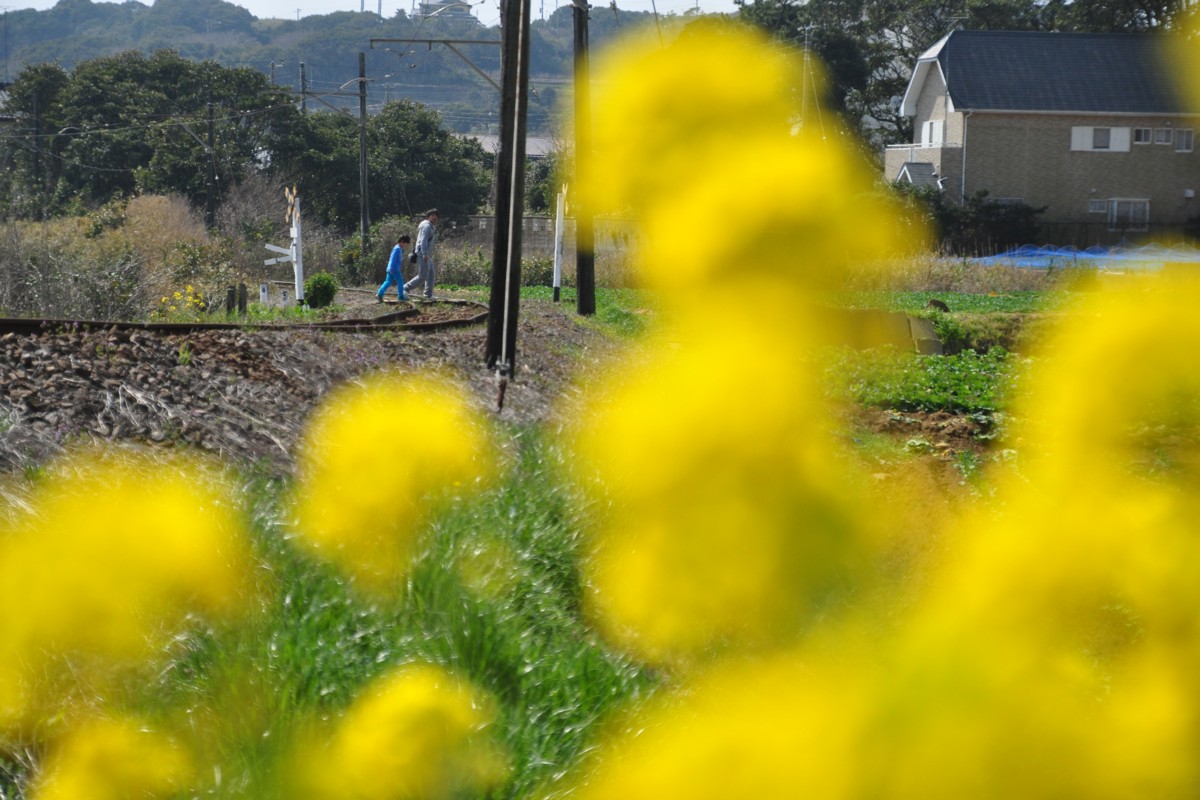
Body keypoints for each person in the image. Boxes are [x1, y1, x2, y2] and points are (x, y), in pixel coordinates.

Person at [404, 209, 439, 299]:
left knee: (431, 274)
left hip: (427, 254)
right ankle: (405, 288)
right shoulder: (427, 226)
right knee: (423, 275)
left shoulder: (430, 226)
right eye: (432, 215)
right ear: (428, 217)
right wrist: (424, 253)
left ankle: (428, 295)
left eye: (436, 215)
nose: (434, 217)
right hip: (423, 254)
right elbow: (423, 240)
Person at [377, 235, 411, 302]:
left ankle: (379, 294)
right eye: (405, 244)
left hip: (391, 269)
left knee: (388, 282)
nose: (406, 246)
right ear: (402, 242)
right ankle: (401, 297)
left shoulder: (398, 248)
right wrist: (392, 269)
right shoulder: (397, 249)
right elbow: (393, 259)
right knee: (400, 282)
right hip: (394, 269)